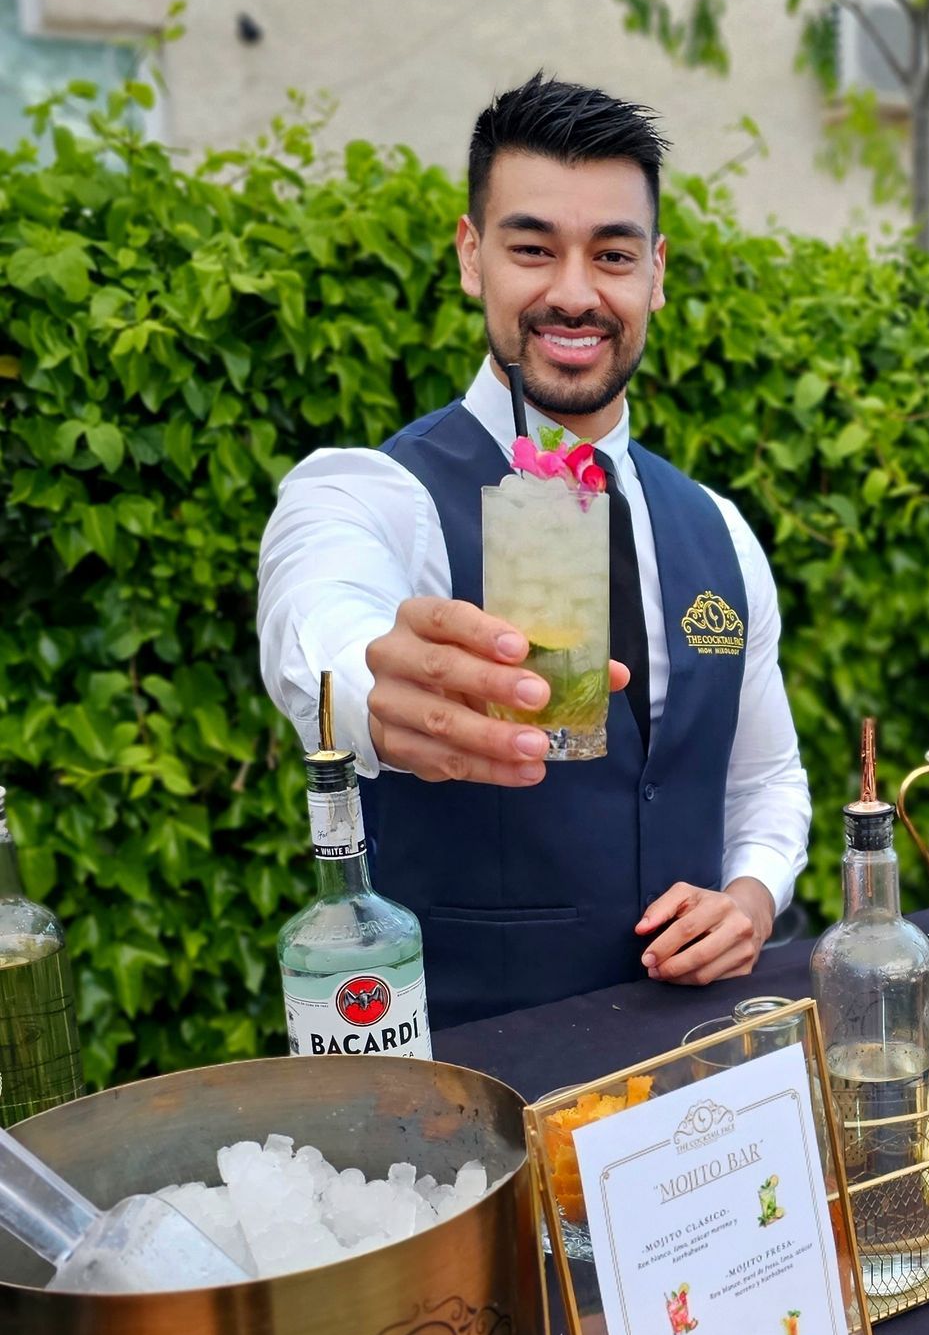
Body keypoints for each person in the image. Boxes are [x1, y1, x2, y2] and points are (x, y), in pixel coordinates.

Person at [258, 73, 811, 1026]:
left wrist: (752, 897)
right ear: (472, 256)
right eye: (532, 249)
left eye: (613, 255)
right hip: (485, 1072)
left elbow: (765, 778)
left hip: (699, 1063)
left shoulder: (718, 527)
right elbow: (317, 626)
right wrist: (377, 687)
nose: (574, 293)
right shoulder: (371, 492)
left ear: (656, 274)